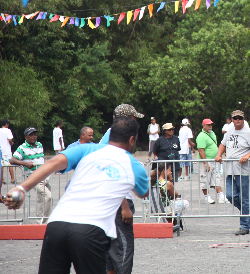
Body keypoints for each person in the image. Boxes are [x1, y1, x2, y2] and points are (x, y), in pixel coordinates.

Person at [4, 117, 149, 274]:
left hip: (57, 225)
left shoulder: (86, 149)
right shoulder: (134, 166)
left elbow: (52, 163)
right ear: (132, 139)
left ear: (111, 134)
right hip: (91, 230)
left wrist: (22, 188)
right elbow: (143, 192)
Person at [97, 104, 145, 274]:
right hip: (117, 201)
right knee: (123, 250)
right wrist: (124, 204)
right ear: (125, 119)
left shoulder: (109, 136)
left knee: (110, 252)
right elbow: (110, 175)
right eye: (133, 118)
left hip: (107, 201)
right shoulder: (116, 138)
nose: (136, 122)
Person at [215, 110, 250, 235]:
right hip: (231, 169)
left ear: (243, 119)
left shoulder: (248, 132)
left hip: (244, 171)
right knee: (230, 195)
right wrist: (219, 154)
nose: (238, 120)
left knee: (244, 198)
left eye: (240, 118)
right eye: (235, 118)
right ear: (232, 119)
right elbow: (223, 144)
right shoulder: (230, 130)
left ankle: (244, 226)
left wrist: (248, 155)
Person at [10, 127, 51, 219]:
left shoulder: (39, 145)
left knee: (42, 199)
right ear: (26, 137)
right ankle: (45, 221)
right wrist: (25, 163)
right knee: (48, 196)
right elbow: (12, 160)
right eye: (31, 135)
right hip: (34, 177)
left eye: (35, 134)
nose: (33, 136)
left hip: (45, 175)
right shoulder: (22, 148)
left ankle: (40, 221)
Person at [197, 119, 226, 204]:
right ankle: (207, 197)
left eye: (211, 124)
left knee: (216, 177)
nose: (210, 126)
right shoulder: (201, 136)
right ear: (204, 126)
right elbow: (201, 150)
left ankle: (221, 196)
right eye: (208, 125)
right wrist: (205, 163)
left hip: (214, 160)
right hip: (206, 160)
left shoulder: (212, 133)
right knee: (205, 179)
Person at [0, 118, 15, 186]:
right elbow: (10, 139)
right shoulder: (8, 130)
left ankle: (2, 179)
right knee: (9, 164)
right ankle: (12, 179)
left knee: (1, 165)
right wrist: (11, 143)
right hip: (7, 150)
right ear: (6, 124)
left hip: (0, 150)